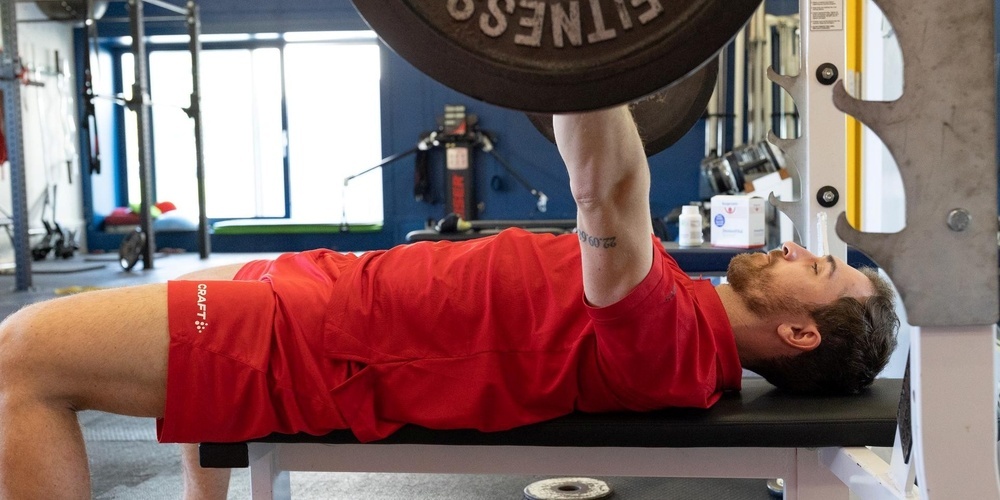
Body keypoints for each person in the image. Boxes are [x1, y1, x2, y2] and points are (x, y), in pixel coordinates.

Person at [0, 106, 899, 499]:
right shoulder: (678, 303)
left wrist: (580, 53)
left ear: (794, 330)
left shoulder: (666, 334)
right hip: (323, 295)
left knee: (25, 353)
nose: (792, 248)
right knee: (186, 290)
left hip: (317, 345)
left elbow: (605, 185)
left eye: (817, 272)